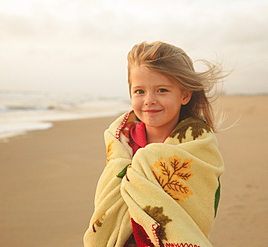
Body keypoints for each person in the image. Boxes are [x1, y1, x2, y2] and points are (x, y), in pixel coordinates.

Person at [84, 41, 225, 247]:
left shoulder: (197, 146)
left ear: (184, 95)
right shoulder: (121, 142)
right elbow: (107, 203)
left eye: (161, 90)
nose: (149, 100)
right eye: (140, 91)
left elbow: (197, 209)